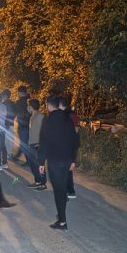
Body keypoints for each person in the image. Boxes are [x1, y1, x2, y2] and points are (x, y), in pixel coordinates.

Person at [38, 96, 79, 230]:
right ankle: (61, 215)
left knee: (59, 191)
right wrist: (73, 160)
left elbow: (44, 142)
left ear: (49, 105)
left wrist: (41, 162)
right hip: (67, 160)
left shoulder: (48, 120)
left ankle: (62, 221)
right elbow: (74, 140)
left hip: (54, 161)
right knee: (62, 189)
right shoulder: (68, 118)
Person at [25, 99, 47, 190]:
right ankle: (37, 181)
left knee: (39, 165)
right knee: (33, 165)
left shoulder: (40, 117)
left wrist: (40, 143)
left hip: (38, 145)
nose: (27, 107)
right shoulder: (32, 116)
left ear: (31, 107)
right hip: (32, 144)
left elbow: (45, 131)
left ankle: (43, 183)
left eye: (28, 106)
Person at [58, 96, 78, 199]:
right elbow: (76, 130)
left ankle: (65, 192)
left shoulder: (64, 116)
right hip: (72, 144)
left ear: (60, 105)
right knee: (68, 169)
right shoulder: (73, 114)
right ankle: (71, 191)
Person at [11, 86, 31, 162]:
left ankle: (29, 161)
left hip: (22, 125)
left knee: (24, 144)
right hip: (28, 124)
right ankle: (17, 157)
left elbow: (16, 113)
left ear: (20, 93)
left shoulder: (19, 102)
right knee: (24, 143)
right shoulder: (29, 101)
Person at [1, 89, 16, 157]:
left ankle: (7, 154)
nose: (2, 96)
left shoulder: (3, 104)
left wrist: (6, 123)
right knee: (10, 140)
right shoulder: (13, 103)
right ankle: (9, 153)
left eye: (3, 95)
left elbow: (4, 115)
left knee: (6, 140)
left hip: (5, 124)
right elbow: (14, 114)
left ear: (5, 95)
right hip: (11, 123)